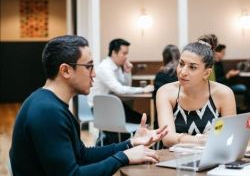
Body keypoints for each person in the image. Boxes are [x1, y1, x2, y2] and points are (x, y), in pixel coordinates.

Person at [9, 35, 168, 175]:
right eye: (89, 66)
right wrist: (124, 157)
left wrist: (131, 143)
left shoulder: (48, 103)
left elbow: (82, 155)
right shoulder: (47, 112)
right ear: (65, 70)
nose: (94, 73)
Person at [156, 38, 236, 148]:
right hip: (171, 159)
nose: (183, 72)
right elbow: (167, 138)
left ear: (206, 73)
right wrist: (199, 140)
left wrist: (183, 139)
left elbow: (229, 135)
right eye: (181, 64)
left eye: (192, 67)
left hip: (211, 159)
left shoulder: (224, 93)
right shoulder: (165, 92)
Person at [88, 38, 154, 144]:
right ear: (114, 52)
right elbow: (119, 90)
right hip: (100, 109)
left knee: (143, 118)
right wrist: (143, 89)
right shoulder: (105, 68)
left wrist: (127, 72)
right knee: (142, 119)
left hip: (111, 106)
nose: (126, 56)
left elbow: (125, 86)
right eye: (124, 53)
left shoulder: (117, 67)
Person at [214, 44, 250, 111]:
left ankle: (244, 108)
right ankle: (243, 109)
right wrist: (228, 75)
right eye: (222, 52)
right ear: (216, 53)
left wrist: (230, 74)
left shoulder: (220, 63)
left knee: (247, 88)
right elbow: (215, 81)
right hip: (223, 87)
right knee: (244, 88)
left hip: (227, 85)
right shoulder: (213, 65)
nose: (224, 54)